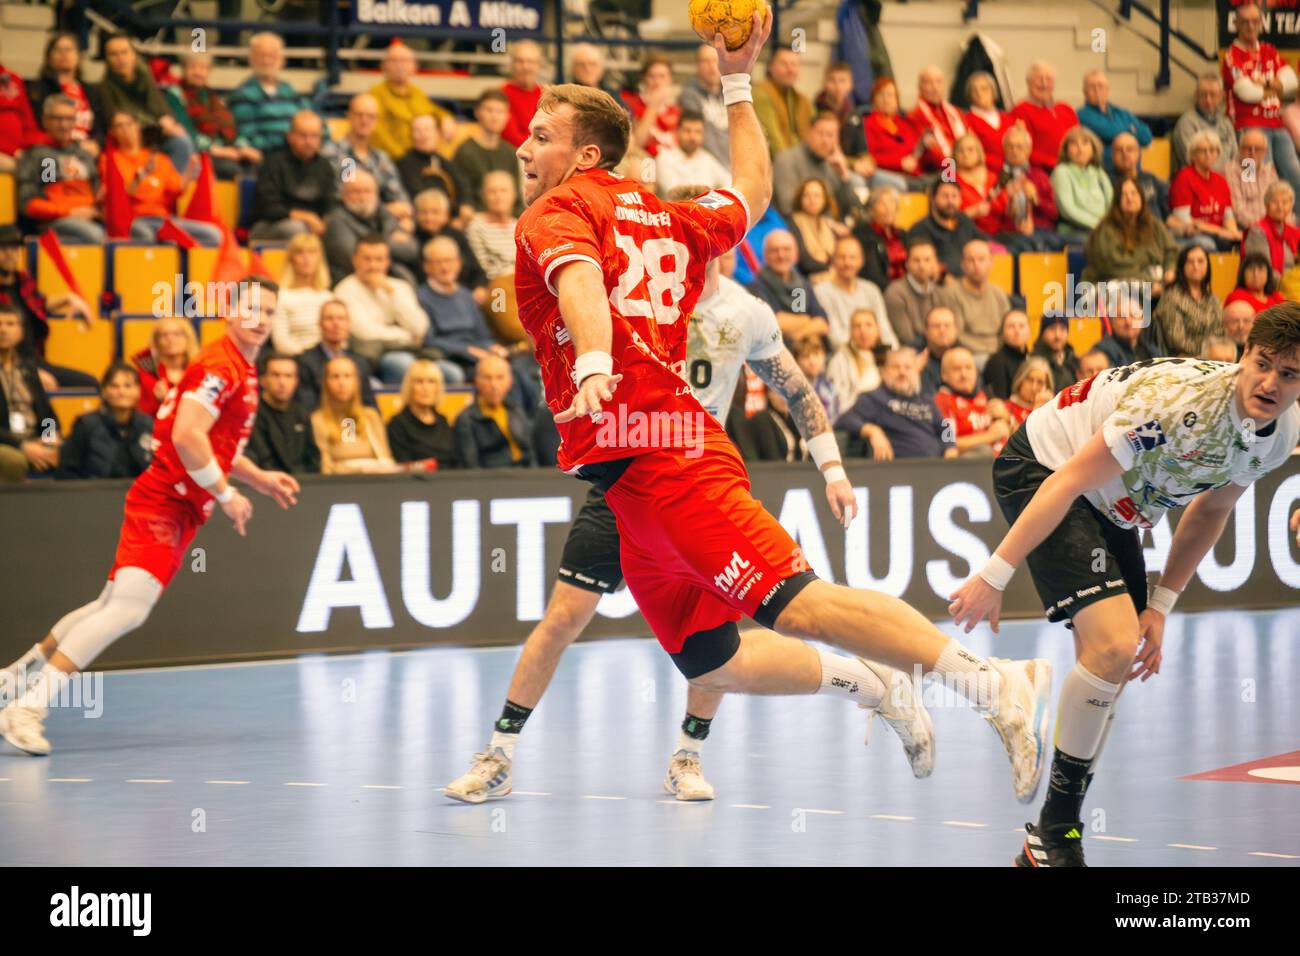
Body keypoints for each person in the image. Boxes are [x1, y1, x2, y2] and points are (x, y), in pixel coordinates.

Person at [486, 20, 1052, 812]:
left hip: (669, 460)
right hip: (630, 485)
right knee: (711, 662)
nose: (523, 147)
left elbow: (580, 286)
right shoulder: (666, 218)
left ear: (585, 155)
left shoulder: (554, 211)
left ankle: (995, 686)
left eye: (541, 135)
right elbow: (753, 194)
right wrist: (739, 81)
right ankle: (873, 684)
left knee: (803, 604)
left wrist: (590, 361)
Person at [448, 218, 883, 802]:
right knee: (563, 618)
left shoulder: (746, 310)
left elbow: (798, 391)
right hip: (625, 478)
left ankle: (688, 754)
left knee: (716, 629)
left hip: (700, 484)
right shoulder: (631, 290)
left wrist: (832, 468)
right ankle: (499, 753)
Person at [950, 307, 1300, 867]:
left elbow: (1211, 511)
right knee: (1112, 644)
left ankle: (1048, 839)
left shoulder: (1279, 433)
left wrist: (1161, 605)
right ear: (1242, 355)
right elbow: (1067, 481)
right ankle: (1058, 830)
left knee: (1110, 662)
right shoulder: (1177, 407)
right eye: (1263, 365)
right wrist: (995, 574)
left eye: (1289, 374)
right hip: (1045, 466)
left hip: (1116, 505)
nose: (1270, 384)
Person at [0, 282, 301, 754]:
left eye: (268, 310)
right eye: (251, 307)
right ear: (228, 309)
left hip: (175, 502)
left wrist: (259, 478)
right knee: (128, 610)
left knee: (106, 605)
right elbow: (187, 436)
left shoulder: (237, 364)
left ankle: (12, 680)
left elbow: (213, 443)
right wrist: (225, 494)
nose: (260, 317)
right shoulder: (222, 367)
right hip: (166, 502)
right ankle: (27, 708)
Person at [101, 111, 222, 246]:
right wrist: (141, 175)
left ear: (138, 126)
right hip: (135, 219)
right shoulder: (110, 160)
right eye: (119, 126)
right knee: (146, 235)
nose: (125, 129)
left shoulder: (158, 158)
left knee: (213, 235)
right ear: (112, 132)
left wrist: (190, 168)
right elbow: (119, 197)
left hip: (163, 219)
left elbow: (176, 188)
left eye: (129, 124)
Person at [1222, 2, 1300, 196]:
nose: (1251, 26)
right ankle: (1253, 223)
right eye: (1245, 22)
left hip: (1277, 126)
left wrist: (1260, 84)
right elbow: (1245, 93)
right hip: (1248, 130)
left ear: (1261, 23)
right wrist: (1273, 85)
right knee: (1252, 181)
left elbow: (1291, 82)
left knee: (1296, 178)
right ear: (1236, 24)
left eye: (1255, 21)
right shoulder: (1231, 55)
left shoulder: (1269, 51)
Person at [333, 236, 429, 384]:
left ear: (387, 261)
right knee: (407, 365)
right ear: (355, 260)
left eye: (379, 259)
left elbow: (420, 327)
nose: (373, 266)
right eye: (367, 259)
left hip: (407, 351)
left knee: (450, 373)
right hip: (368, 356)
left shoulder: (400, 287)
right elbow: (365, 333)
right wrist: (406, 335)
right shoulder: (345, 290)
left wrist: (390, 293)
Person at [835, 346, 958, 460]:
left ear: (916, 372)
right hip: (898, 469)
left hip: (935, 467)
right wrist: (872, 431)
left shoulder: (927, 401)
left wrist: (950, 447)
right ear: (884, 372)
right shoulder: (874, 398)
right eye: (895, 367)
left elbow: (945, 427)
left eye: (908, 367)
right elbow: (845, 420)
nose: (902, 372)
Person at [95, 34, 193, 172]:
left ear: (134, 55)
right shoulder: (104, 89)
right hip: (132, 141)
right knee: (181, 143)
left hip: (156, 136)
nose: (120, 58)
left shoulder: (145, 77)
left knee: (183, 143)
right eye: (113, 54)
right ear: (107, 59)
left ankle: (168, 188)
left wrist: (168, 121)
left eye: (124, 52)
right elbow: (118, 127)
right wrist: (161, 128)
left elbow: (163, 109)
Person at [17, 94, 103, 243]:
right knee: (95, 235)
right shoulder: (45, 157)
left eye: (69, 119)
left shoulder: (83, 155)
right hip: (57, 221)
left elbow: (97, 192)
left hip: (90, 216)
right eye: (57, 119)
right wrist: (70, 212)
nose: (64, 125)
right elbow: (30, 203)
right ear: (45, 121)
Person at [321, 94, 412, 229]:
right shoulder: (338, 153)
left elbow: (398, 196)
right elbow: (349, 199)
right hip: (345, 222)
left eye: (370, 117)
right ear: (349, 116)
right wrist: (386, 210)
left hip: (379, 221)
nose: (364, 121)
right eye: (359, 115)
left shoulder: (381, 158)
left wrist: (404, 212)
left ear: (377, 121)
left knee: (407, 227)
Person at [247, 110, 337, 242]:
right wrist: (308, 218)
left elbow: (330, 203)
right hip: (273, 224)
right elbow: (269, 209)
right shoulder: (273, 163)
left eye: (314, 136)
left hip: (312, 225)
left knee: (338, 227)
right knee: (297, 229)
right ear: (290, 137)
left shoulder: (325, 166)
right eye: (303, 136)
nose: (308, 141)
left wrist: (326, 222)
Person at [164, 51, 256, 180]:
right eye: (192, 67)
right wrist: (217, 150)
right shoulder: (175, 94)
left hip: (226, 151)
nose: (198, 72)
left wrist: (243, 148)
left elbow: (231, 128)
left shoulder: (213, 97)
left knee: (255, 166)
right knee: (233, 170)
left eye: (203, 68)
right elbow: (186, 130)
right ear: (184, 69)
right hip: (199, 152)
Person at [227, 32, 319, 158]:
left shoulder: (290, 91)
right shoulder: (242, 95)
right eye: (261, 55)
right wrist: (292, 143)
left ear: (282, 60)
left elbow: (316, 123)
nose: (267, 61)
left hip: (299, 155)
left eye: (272, 56)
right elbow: (248, 137)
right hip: (267, 159)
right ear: (251, 58)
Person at [56, 363, 152, 480]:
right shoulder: (86, 425)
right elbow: (66, 472)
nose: (121, 392)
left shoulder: (148, 425)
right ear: (104, 391)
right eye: (114, 386)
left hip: (138, 495)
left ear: (138, 391)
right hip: (94, 494)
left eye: (128, 386)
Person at [323, 169, 420, 284]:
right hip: (352, 280)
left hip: (387, 276)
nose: (362, 197)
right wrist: (389, 242)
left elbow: (412, 249)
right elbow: (352, 259)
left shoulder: (384, 214)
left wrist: (372, 246)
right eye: (356, 192)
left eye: (367, 191)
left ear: (376, 194)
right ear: (344, 195)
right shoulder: (336, 220)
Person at [1082, 178, 1178, 291]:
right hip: (1108, 285)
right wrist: (1149, 283)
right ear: (1117, 202)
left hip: (1151, 283)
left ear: (1142, 198)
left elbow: (1171, 250)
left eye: (1134, 193)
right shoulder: (1106, 230)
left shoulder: (1154, 224)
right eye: (1124, 194)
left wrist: (1169, 270)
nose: (1130, 198)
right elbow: (1116, 268)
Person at [0, 305, 60, 482]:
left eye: (10, 324)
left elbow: (48, 416)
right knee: (15, 461)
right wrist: (22, 446)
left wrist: (49, 439)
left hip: (34, 440)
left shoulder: (28, 369)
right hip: (7, 443)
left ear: (21, 331)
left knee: (72, 453)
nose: (3, 329)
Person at [985, 124, 1066, 255]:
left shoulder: (1039, 176)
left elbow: (1054, 213)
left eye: (1019, 147)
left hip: (1041, 230)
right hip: (1008, 233)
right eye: (1010, 146)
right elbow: (988, 213)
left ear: (1028, 150)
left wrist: (1036, 199)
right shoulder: (995, 178)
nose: (1014, 151)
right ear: (1004, 149)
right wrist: (1006, 200)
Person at [311, 356, 399, 475]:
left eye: (347, 376)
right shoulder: (317, 419)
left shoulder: (371, 416)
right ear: (325, 382)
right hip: (340, 485)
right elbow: (325, 468)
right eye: (335, 376)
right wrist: (359, 470)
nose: (342, 383)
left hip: (376, 481)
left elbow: (386, 457)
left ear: (357, 381)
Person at [772, 111, 866, 219]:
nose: (825, 140)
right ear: (808, 133)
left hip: (826, 230)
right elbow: (787, 207)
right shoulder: (786, 159)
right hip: (792, 228)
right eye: (820, 134)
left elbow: (850, 207)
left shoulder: (833, 165)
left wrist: (844, 175)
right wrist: (828, 225)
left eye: (830, 135)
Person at [369, 41, 453, 161]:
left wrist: (445, 118)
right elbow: (376, 132)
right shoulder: (375, 94)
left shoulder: (416, 92)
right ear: (383, 66)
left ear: (414, 67)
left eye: (405, 61)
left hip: (422, 156)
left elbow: (432, 110)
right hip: (395, 159)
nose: (400, 66)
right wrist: (403, 157)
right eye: (394, 61)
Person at [450, 90, 523, 220]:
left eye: (500, 112)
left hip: (508, 221)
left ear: (507, 116)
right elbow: (464, 197)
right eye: (489, 110)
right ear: (477, 113)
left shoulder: (511, 152)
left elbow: (516, 197)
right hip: (476, 219)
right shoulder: (465, 152)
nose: (495, 116)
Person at [813, 235, 895, 350]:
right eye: (842, 257)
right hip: (843, 358)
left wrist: (894, 353)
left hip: (876, 354)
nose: (847, 262)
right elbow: (835, 338)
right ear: (833, 261)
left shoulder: (872, 290)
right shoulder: (821, 292)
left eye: (852, 257)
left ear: (861, 261)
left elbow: (885, 329)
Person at [294, 300, 378, 412]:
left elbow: (370, 405)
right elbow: (307, 407)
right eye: (329, 318)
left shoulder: (360, 362)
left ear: (348, 324)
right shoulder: (305, 361)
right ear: (320, 324)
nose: (336, 323)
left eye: (341, 319)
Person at [746, 229, 830, 341]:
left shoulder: (803, 283)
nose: (781, 255)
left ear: (796, 254)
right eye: (774, 250)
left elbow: (823, 323)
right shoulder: (755, 286)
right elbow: (772, 322)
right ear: (765, 255)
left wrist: (799, 334)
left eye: (786, 249)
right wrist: (806, 320)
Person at [452, 354, 533, 469]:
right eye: (487, 378)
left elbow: (530, 453)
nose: (494, 385)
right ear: (476, 381)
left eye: (499, 377)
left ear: (510, 382)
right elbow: (470, 465)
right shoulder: (466, 419)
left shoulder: (515, 410)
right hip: (491, 481)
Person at [244, 353, 320, 475]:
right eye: (276, 375)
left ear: (296, 381)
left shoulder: (301, 414)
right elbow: (261, 459)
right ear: (263, 380)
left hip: (307, 484)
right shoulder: (252, 413)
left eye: (288, 376)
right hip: (265, 483)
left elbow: (312, 458)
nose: (282, 382)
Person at [940, 238, 1010, 366]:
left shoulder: (999, 294)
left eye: (982, 259)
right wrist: (987, 351)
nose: (976, 265)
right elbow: (956, 335)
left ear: (991, 263)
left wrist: (996, 353)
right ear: (963, 265)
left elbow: (1006, 331)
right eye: (971, 260)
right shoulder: (951, 294)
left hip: (998, 354)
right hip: (968, 355)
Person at [28, 33, 101, 155]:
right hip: (50, 152)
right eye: (58, 50)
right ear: (49, 57)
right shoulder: (37, 90)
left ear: (78, 56)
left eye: (69, 49)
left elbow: (100, 127)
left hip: (85, 154)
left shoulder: (90, 91)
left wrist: (97, 143)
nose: (64, 54)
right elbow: (35, 127)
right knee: (49, 173)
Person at [1167, 131, 1241, 251]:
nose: (1208, 155)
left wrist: (1235, 234)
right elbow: (1183, 219)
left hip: (1218, 234)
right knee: (1207, 244)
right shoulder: (1184, 177)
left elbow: (1228, 217)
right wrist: (1218, 231)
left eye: (1212, 150)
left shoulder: (1221, 180)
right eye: (1202, 151)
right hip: (1193, 233)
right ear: (1193, 155)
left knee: (1243, 243)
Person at [905, 178, 990, 280]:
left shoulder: (964, 221)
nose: (950, 201)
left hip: (970, 282)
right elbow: (922, 265)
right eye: (945, 196)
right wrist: (943, 277)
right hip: (939, 286)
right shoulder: (920, 230)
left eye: (954, 196)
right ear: (932, 199)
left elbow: (985, 242)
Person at [413, 188, 488, 305]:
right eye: (423, 212)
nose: (429, 217)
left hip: (466, 294)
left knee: (498, 304)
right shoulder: (413, 239)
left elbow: (477, 270)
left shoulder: (456, 235)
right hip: (431, 298)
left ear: (446, 214)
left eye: (435, 212)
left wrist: (479, 287)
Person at [934, 346, 1007, 457]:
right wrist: (990, 436)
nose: (964, 374)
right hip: (974, 465)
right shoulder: (942, 401)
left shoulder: (985, 395)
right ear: (944, 375)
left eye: (968, 368)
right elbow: (949, 444)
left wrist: (1006, 417)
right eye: (956, 369)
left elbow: (1005, 430)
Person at [386, 359, 458, 470]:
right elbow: (403, 466)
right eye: (419, 382)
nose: (426, 388)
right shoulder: (397, 424)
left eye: (431, 382)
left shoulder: (443, 421)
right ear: (409, 387)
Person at [1155, 244, 1224, 357]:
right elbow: (1177, 341)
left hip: (1214, 357)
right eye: (1190, 262)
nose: (1196, 266)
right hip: (1182, 360)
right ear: (1182, 266)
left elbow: (1221, 331)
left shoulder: (1212, 298)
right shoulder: (1171, 297)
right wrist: (1210, 351)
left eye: (1200, 261)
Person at [272, 232, 334, 356]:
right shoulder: (281, 296)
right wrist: (308, 358)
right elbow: (281, 342)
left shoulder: (328, 297)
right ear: (291, 259)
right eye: (300, 253)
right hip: (296, 359)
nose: (306, 258)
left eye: (312, 252)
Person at [1077, 69, 1152, 169]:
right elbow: (1109, 131)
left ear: (1107, 90)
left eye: (1100, 86)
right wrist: (1132, 129)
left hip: (1133, 171)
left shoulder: (1122, 112)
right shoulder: (1082, 115)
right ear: (1084, 92)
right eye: (1092, 87)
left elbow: (1146, 136)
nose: (1097, 90)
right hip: (1104, 171)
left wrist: (1123, 130)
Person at [1012, 61, 1078, 172]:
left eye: (1049, 79)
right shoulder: (1021, 111)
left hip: (1073, 167)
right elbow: (1023, 150)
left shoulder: (1066, 108)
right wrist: (1056, 163)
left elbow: (1079, 139)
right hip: (1042, 170)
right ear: (1028, 82)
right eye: (1039, 79)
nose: (1044, 83)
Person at [1050, 126, 1113, 238]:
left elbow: (1112, 204)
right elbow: (1067, 210)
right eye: (1074, 143)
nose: (1080, 148)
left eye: (1085, 143)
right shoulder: (1061, 172)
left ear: (1093, 149)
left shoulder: (1100, 173)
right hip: (1074, 231)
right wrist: (1098, 225)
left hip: (1104, 229)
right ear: (1066, 150)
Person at [654, 110, 730, 199]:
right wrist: (708, 193)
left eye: (698, 131)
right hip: (677, 211)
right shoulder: (665, 157)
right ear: (677, 132)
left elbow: (728, 181)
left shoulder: (706, 158)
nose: (692, 137)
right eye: (687, 131)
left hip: (707, 210)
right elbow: (675, 194)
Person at [132, 316, 198, 418]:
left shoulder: (199, 372)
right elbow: (140, 417)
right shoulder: (145, 373)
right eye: (164, 335)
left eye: (177, 334)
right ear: (156, 341)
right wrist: (159, 402)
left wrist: (168, 401)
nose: (170, 339)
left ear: (188, 338)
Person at [884, 238, 944, 349]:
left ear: (935, 263)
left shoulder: (939, 292)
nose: (921, 266)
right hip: (909, 353)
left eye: (927, 260)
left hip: (938, 349)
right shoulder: (895, 293)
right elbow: (906, 338)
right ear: (907, 263)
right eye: (916, 260)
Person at [1172, 73, 1237, 175]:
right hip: (1199, 180)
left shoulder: (1226, 123)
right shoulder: (1186, 123)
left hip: (1227, 180)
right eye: (1203, 94)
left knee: (1250, 165)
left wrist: (1244, 179)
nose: (1208, 100)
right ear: (1196, 96)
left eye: (1213, 95)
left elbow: (1236, 157)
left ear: (1221, 97)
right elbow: (1195, 162)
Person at [753, 46, 812, 156]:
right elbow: (774, 140)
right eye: (784, 64)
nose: (790, 69)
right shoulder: (761, 94)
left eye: (794, 64)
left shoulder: (802, 100)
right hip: (773, 164)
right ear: (771, 66)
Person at [908, 65, 967, 173]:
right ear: (920, 87)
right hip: (943, 172)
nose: (935, 88)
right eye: (929, 83)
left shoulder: (956, 112)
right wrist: (959, 166)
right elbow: (932, 156)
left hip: (964, 166)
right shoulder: (914, 116)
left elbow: (970, 140)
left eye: (939, 82)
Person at [863, 77, 923, 183]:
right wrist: (900, 163)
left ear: (897, 101)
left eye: (890, 95)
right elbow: (871, 157)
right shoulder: (867, 123)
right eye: (881, 95)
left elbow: (914, 151)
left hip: (914, 174)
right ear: (873, 99)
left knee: (947, 178)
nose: (886, 99)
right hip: (887, 175)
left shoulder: (906, 123)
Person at [465, 170, 520, 281]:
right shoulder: (476, 227)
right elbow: (483, 268)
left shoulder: (520, 226)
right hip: (496, 287)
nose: (498, 197)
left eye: (503, 191)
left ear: (514, 195)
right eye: (492, 191)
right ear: (483, 196)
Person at [678, 44, 728, 165]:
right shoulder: (689, 96)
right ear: (697, 66)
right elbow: (705, 137)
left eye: (716, 61)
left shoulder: (730, 92)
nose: (712, 67)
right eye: (706, 61)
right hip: (709, 164)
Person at [623, 56, 681, 159]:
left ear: (670, 80)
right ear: (644, 79)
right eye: (652, 76)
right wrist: (653, 106)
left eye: (662, 76)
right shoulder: (631, 104)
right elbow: (637, 143)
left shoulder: (675, 110)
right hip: (644, 161)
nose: (657, 82)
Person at [826, 308, 882, 412]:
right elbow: (836, 402)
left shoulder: (887, 356)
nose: (863, 330)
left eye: (868, 325)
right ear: (851, 332)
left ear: (878, 330)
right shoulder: (840, 360)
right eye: (857, 326)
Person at [788, 178, 844, 280]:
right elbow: (804, 261)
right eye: (806, 195)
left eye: (817, 196)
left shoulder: (826, 223)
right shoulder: (793, 222)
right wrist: (829, 268)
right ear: (800, 198)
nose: (812, 200)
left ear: (824, 199)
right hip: (808, 278)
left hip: (833, 274)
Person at [852, 186, 908, 290]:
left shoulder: (902, 234)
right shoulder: (863, 235)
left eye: (891, 202)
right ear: (871, 210)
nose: (888, 208)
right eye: (881, 203)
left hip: (905, 288)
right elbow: (872, 274)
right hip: (882, 289)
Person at [397, 114, 457, 209]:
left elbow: (462, 185)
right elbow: (416, 194)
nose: (423, 134)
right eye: (417, 130)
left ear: (437, 133)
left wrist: (466, 204)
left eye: (427, 129)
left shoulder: (443, 160)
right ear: (411, 135)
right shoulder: (405, 164)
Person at [1110, 131, 1170, 222]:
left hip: (1158, 230)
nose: (1125, 154)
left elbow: (1168, 217)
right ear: (1113, 156)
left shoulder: (1150, 178)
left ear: (1138, 153)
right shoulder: (1107, 181)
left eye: (1129, 149)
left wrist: (1186, 227)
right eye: (1119, 150)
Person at [1243, 180, 1300, 274]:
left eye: (1284, 202)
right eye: (1274, 202)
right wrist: (1287, 284)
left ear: (1290, 206)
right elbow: (1264, 272)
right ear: (1267, 205)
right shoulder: (1257, 232)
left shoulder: (1296, 232)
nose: (1280, 207)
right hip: (1273, 285)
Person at [964, 71, 1015, 175]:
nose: (979, 93)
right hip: (984, 173)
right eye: (974, 90)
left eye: (984, 89)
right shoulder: (966, 120)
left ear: (993, 92)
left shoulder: (1008, 118)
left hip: (1013, 171)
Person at [1226, 127, 1277, 229]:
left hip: (1272, 224)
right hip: (1250, 227)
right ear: (1239, 149)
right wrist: (1264, 226)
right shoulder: (1232, 170)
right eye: (1247, 148)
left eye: (1257, 149)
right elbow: (1238, 210)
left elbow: (1278, 200)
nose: (1252, 153)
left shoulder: (1269, 170)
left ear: (1265, 152)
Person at [501, 40, 545, 149]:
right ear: (511, 65)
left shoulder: (545, 94)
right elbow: (510, 136)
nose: (525, 67)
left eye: (530, 62)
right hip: (515, 153)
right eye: (520, 61)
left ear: (538, 66)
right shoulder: (502, 94)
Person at [983, 309, 1032, 401]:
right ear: (1002, 333)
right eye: (1011, 326)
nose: (1017, 331)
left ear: (1029, 331)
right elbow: (1000, 401)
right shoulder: (996, 362)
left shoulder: (1033, 359)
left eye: (1021, 326)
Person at [1095, 295, 1155, 367]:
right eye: (1121, 317)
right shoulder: (1102, 353)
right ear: (1111, 321)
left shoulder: (1152, 350)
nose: (1128, 322)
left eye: (1133, 315)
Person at [1001, 355, 1053, 434]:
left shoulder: (1051, 413)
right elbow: (1024, 441)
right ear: (1020, 380)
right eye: (1030, 380)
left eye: (1040, 382)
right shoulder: (1005, 408)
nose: (1034, 387)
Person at [917, 305, 960, 396]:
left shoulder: (963, 354)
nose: (942, 330)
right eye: (936, 326)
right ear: (926, 331)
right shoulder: (916, 358)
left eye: (947, 326)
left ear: (956, 330)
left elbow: (975, 388)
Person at [1033, 313, 1079, 393]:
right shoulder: (1033, 362)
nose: (1058, 335)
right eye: (1052, 329)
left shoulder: (1075, 361)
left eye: (1062, 329)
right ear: (1042, 332)